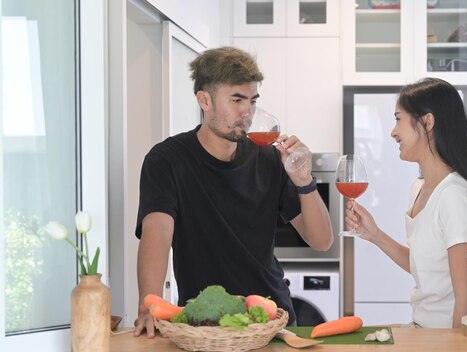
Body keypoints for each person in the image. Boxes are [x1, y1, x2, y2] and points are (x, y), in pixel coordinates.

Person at [133, 46, 333, 337]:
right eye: (237, 99)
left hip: (271, 321)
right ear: (205, 100)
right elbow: (158, 232)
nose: (247, 112)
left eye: (252, 101)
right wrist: (147, 307)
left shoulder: (268, 158)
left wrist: (304, 180)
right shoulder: (167, 160)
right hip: (203, 325)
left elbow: (322, 241)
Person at [345, 77, 467, 328]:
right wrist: (375, 234)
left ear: (427, 122)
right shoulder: (419, 188)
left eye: (397, 119)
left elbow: (466, 301)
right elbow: (426, 269)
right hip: (422, 330)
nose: (393, 132)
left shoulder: (454, 197)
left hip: (444, 339)